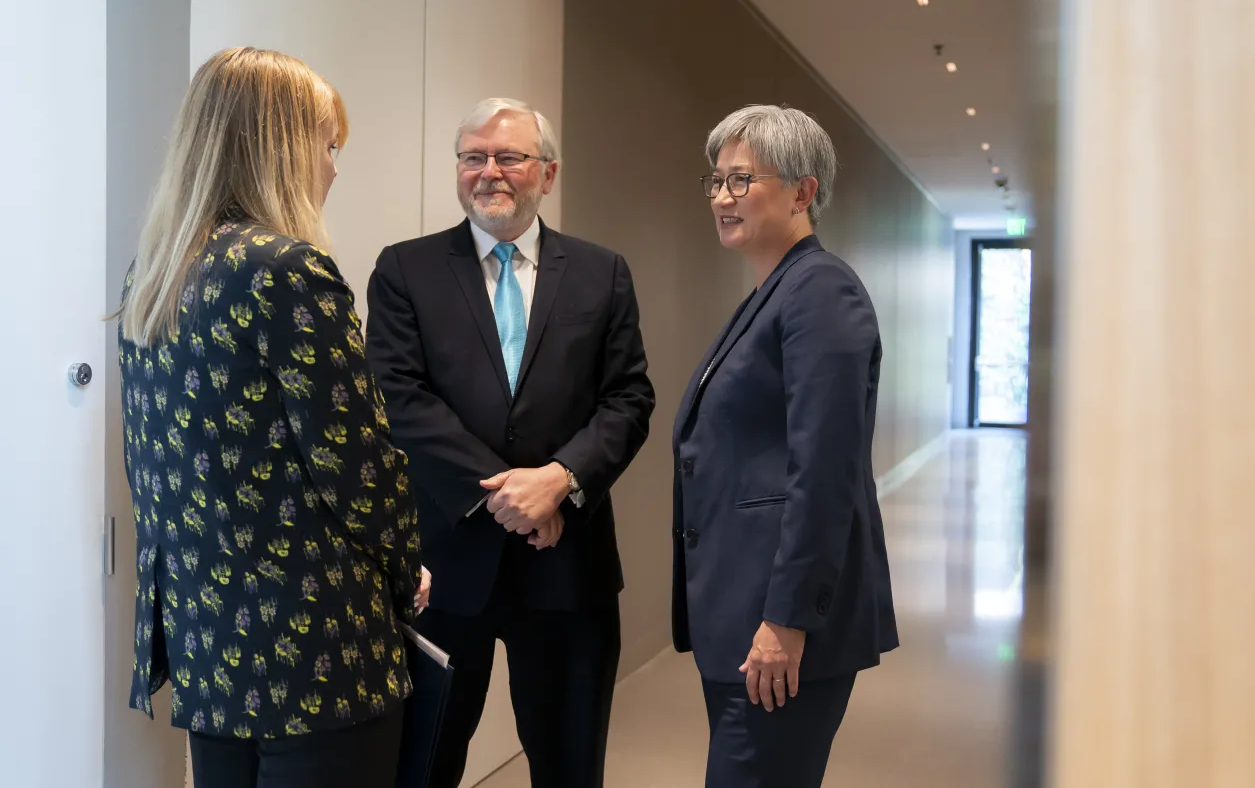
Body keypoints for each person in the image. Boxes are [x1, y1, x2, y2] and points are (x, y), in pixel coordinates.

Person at [114, 47, 430, 788]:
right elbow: (358, 465)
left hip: (209, 643)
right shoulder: (287, 271)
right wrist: (404, 562)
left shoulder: (156, 274)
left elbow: (156, 464)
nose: (334, 166)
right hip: (315, 651)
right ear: (279, 147)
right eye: (327, 143)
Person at [366, 97, 655, 788]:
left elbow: (629, 398)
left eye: (509, 157)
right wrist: (510, 496)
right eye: (473, 157)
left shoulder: (601, 272)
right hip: (443, 567)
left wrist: (559, 478)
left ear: (547, 173)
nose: (488, 171)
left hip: (567, 566)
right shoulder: (405, 270)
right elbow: (401, 401)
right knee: (423, 765)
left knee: (569, 767)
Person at [671, 105, 899, 788]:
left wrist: (786, 619)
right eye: (715, 180)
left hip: (780, 626)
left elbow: (825, 472)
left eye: (741, 180)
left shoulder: (821, 292)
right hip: (742, 611)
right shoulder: (775, 292)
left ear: (803, 191)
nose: (720, 196)